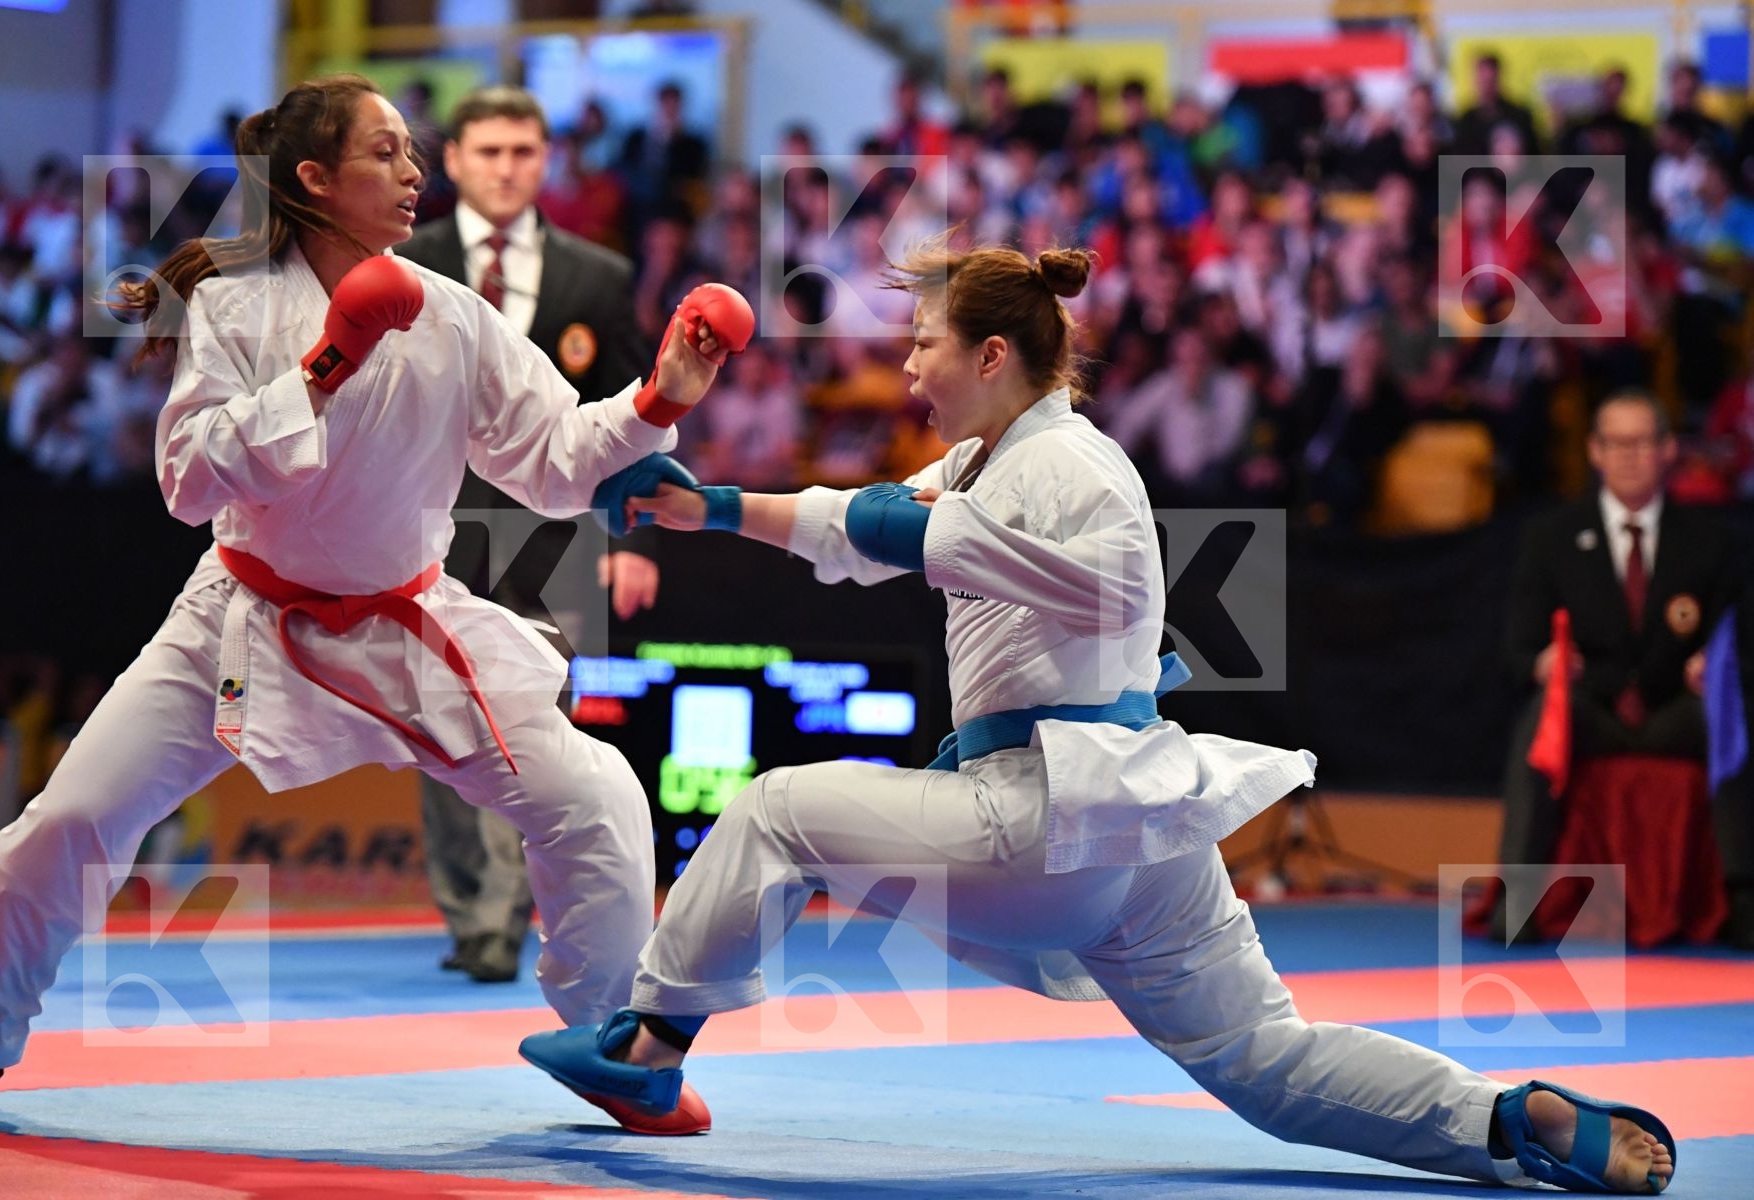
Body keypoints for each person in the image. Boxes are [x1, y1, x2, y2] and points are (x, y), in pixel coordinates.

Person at [517, 240, 1677, 1195]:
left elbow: (941, 545)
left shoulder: (1075, 470)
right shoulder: (990, 457)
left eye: (921, 345)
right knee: (1263, 1061)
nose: (907, 369)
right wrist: (703, 505)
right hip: (1138, 832)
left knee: (772, 812)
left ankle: (648, 1049)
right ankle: (1513, 1125)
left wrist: (794, 517)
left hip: (1046, 812)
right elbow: (849, 525)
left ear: (989, 352)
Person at [0, 75, 730, 1137]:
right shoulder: (232, 305)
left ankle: (611, 1048)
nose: (415, 173)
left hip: (402, 620)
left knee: (593, 796)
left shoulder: (455, 316)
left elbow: (553, 460)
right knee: (75, 819)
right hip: (238, 616)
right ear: (315, 178)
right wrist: (324, 368)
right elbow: (188, 481)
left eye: (414, 153)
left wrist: (662, 396)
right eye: (388, 153)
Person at [395, 85, 661, 984]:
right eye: (489, 151)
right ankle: (474, 915)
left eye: (523, 152)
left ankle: (514, 917)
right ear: (457, 161)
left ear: (545, 162)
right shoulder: (404, 261)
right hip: (425, 523)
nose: (506, 168)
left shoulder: (599, 278)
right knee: (437, 723)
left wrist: (634, 540)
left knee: (535, 725)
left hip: (560, 535)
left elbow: (637, 419)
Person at [1494, 391, 1738, 942]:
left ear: (1668, 450)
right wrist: (1544, 664)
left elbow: (1731, 637)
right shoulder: (1550, 538)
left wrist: (1714, 667)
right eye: (1616, 443)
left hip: (1674, 708)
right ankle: (1519, 903)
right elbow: (1517, 649)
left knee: (1734, 719)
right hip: (1590, 708)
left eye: (1643, 442)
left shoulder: (1710, 542)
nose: (1630, 455)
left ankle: (1743, 900)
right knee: (1541, 719)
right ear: (1595, 452)